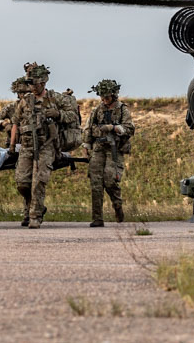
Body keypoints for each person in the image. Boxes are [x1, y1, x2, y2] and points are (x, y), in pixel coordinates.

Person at [10, 63, 73, 229]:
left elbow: (72, 115)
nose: (32, 87)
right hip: (27, 145)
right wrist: (11, 145)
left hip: (47, 145)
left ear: (43, 83)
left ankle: (35, 216)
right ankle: (35, 205)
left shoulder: (55, 98)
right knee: (22, 182)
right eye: (30, 84)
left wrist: (58, 114)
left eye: (35, 84)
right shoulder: (25, 101)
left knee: (39, 181)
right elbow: (16, 122)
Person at [83, 79, 135, 227]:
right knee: (96, 183)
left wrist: (113, 128)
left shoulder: (122, 110)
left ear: (114, 95)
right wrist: (86, 146)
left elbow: (129, 128)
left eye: (107, 97)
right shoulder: (97, 110)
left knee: (110, 180)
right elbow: (89, 128)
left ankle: (117, 205)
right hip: (99, 148)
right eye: (102, 97)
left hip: (114, 149)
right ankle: (97, 218)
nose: (104, 100)